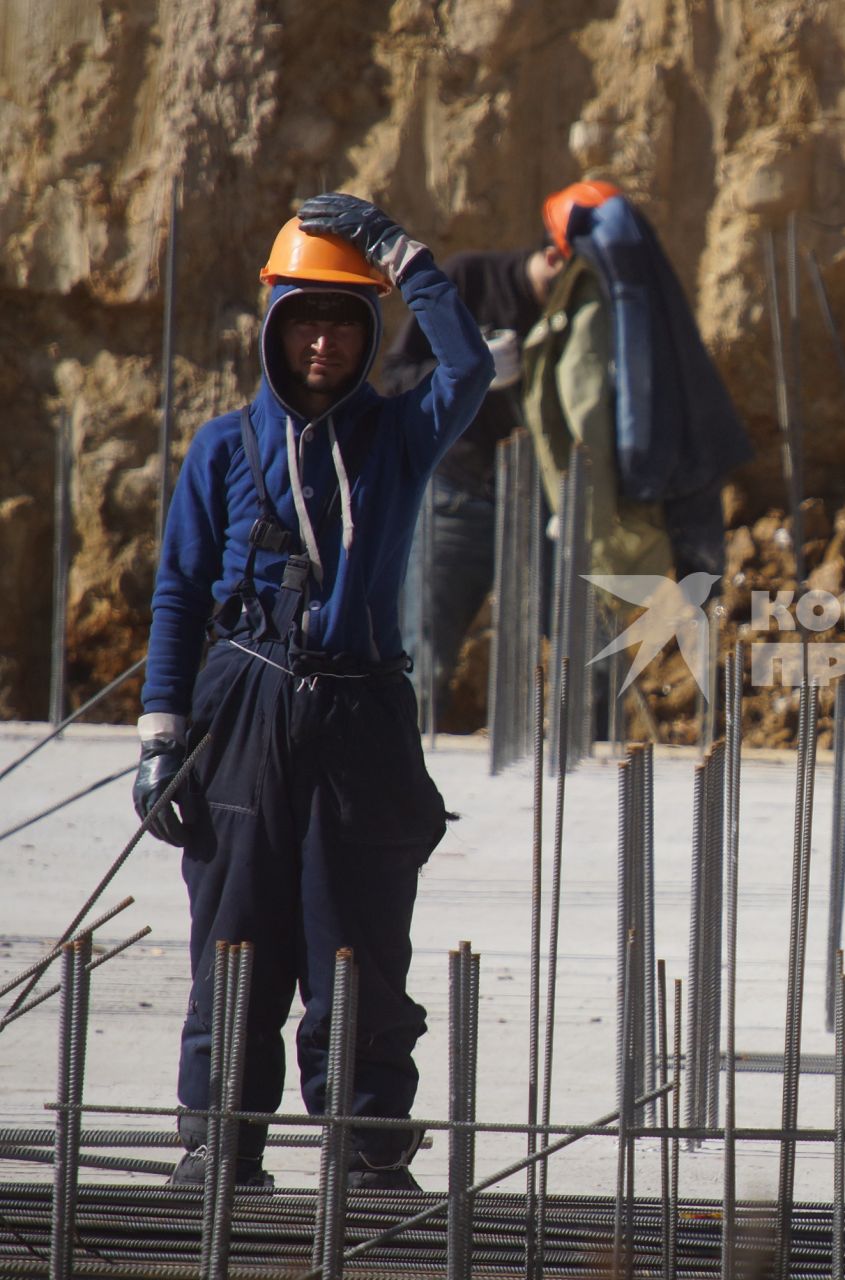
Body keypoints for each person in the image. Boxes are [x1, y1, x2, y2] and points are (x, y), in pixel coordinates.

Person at [133, 194, 492, 1192]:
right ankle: (221, 1143)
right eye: (305, 320)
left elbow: (469, 365)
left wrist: (400, 252)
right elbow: (178, 590)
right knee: (236, 936)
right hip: (239, 719)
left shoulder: (399, 436)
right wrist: (162, 732)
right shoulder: (220, 449)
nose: (323, 340)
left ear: (370, 330)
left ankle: (369, 1146)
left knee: (361, 939)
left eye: (343, 320)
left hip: (359, 719)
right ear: (273, 330)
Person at [520, 180, 751, 582]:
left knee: (629, 612)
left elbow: (585, 403)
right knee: (701, 599)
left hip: (640, 479)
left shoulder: (595, 283)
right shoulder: (644, 268)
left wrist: (578, 506)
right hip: (696, 453)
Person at [382, 231, 568, 716]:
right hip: (455, 496)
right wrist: (465, 372)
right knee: (420, 657)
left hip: (542, 505)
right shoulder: (467, 279)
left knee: (583, 648)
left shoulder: (583, 314)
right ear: (551, 256)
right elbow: (397, 377)